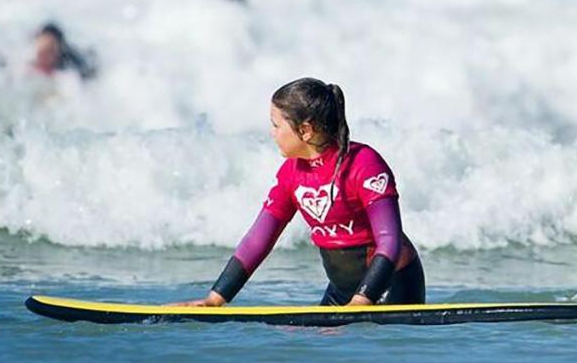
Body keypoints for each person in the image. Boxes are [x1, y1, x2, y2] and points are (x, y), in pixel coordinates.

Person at [179, 78, 425, 308]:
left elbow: (389, 242)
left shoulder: (363, 163)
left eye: (276, 125)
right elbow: (259, 239)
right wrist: (215, 298)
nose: (272, 133)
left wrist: (362, 300)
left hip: (391, 288)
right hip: (342, 292)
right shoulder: (291, 173)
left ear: (305, 130)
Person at [30, 22, 98, 80]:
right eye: (41, 51)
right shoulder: (32, 59)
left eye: (50, 51)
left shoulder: (68, 69)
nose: (44, 56)